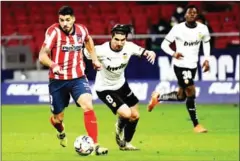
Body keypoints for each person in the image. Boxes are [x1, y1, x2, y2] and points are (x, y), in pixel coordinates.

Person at [38, 6, 108, 155]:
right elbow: (42, 55)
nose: (64, 23)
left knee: (88, 105)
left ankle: (95, 145)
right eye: (61, 20)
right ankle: (61, 132)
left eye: (68, 20)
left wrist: (94, 59)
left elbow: (88, 41)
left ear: (74, 19)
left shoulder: (82, 30)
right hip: (57, 80)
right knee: (58, 119)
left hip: (78, 77)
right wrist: (53, 64)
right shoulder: (53, 32)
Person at [84, 24, 156, 150]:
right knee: (127, 114)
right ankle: (119, 126)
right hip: (105, 89)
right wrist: (93, 60)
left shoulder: (129, 47)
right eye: (116, 39)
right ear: (111, 37)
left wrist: (151, 52)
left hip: (122, 85)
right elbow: (86, 50)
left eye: (122, 40)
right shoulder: (101, 50)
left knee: (135, 115)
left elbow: (144, 52)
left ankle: (126, 143)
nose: (119, 43)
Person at [148, 5, 210, 133]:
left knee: (181, 96)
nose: (192, 14)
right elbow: (164, 45)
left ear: (197, 15)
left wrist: (207, 59)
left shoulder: (203, 29)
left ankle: (158, 97)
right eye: (189, 12)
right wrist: (173, 53)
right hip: (180, 65)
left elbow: (206, 42)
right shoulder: (178, 29)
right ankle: (196, 125)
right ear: (185, 15)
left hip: (193, 65)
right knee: (191, 91)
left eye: (194, 13)